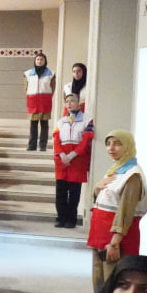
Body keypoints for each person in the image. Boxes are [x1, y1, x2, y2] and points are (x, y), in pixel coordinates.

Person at [88, 130, 147, 291]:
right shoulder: (116, 169)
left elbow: (126, 211)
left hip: (115, 239)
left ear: (128, 146)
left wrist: (115, 242)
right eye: (108, 144)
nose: (111, 148)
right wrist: (96, 189)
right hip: (100, 234)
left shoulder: (132, 175)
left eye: (117, 144)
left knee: (113, 283)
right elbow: (108, 198)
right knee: (99, 282)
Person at [53, 92, 94, 229]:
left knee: (74, 193)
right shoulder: (60, 122)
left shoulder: (87, 120)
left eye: (72, 101)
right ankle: (61, 218)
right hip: (62, 160)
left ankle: (71, 219)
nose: (69, 104)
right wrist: (61, 154)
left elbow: (86, 140)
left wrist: (71, 155)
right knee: (60, 192)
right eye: (67, 101)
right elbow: (56, 139)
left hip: (77, 160)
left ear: (78, 103)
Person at [24, 52, 56, 151]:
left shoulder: (51, 73)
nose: (39, 61)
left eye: (42, 59)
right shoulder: (28, 73)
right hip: (33, 101)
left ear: (45, 61)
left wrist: (47, 96)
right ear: (35, 61)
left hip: (45, 101)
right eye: (37, 59)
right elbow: (26, 87)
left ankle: (42, 145)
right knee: (33, 124)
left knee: (44, 124)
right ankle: (32, 145)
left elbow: (53, 87)